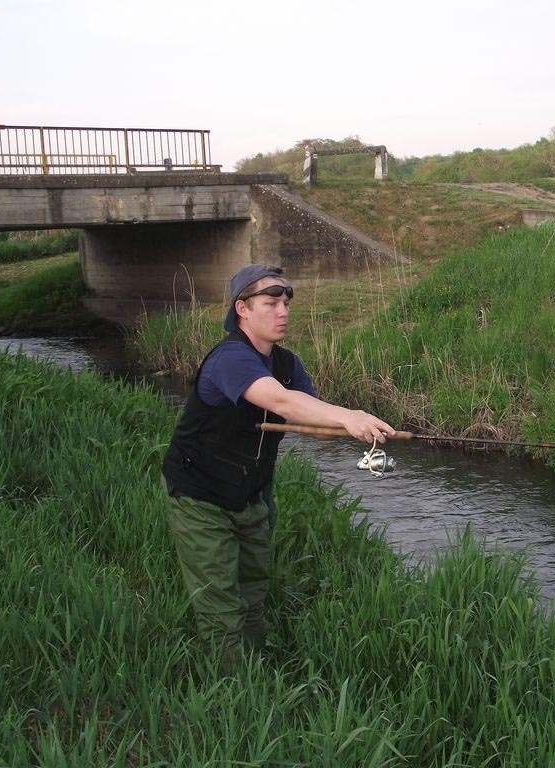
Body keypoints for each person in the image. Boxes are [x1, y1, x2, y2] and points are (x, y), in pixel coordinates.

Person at [161, 263, 395, 674]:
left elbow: (314, 424)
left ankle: (257, 672)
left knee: (253, 593)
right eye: (270, 303)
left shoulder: (288, 365)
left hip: (252, 495)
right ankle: (232, 695)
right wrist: (348, 414)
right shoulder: (230, 357)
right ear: (242, 310)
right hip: (200, 496)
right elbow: (281, 402)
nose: (283, 311)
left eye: (286, 303)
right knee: (221, 604)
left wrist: (357, 429)